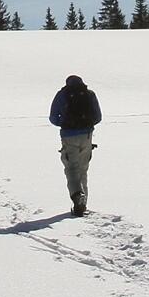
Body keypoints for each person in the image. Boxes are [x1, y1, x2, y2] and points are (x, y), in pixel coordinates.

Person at [48, 74, 102, 217]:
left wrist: (66, 123)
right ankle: (82, 204)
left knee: (71, 168)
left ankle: (77, 197)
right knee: (83, 169)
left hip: (68, 136)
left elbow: (53, 117)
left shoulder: (62, 95)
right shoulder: (89, 94)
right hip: (87, 136)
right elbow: (98, 117)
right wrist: (85, 125)